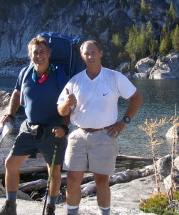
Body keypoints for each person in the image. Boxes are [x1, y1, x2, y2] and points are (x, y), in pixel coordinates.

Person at [57, 40, 143, 215]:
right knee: (73, 178)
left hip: (105, 135)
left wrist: (123, 122)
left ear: (101, 53)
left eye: (93, 52)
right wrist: (67, 103)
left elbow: (136, 98)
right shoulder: (75, 81)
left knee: (102, 180)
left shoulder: (114, 77)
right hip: (79, 135)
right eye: (86, 54)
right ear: (82, 57)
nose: (90, 57)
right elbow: (61, 110)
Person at [0, 36, 69, 215]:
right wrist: (10, 114)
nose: (39, 55)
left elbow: (69, 103)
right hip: (29, 128)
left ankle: (50, 208)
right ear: (30, 55)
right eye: (35, 52)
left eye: (43, 52)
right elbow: (17, 93)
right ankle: (10, 207)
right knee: (11, 164)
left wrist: (64, 127)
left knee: (54, 170)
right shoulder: (25, 73)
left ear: (49, 54)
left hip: (53, 129)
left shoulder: (59, 73)